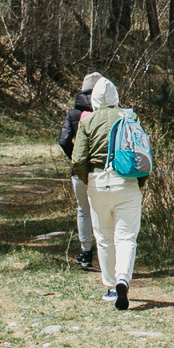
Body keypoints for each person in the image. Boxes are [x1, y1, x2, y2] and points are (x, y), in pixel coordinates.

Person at [67, 70, 146, 308]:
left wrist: (88, 180)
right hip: (128, 183)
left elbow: (78, 159)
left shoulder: (88, 120)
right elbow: (143, 156)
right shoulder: (131, 118)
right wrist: (140, 183)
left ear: (95, 99)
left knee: (104, 237)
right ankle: (124, 278)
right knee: (126, 237)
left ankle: (111, 286)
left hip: (98, 181)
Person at [56, 78, 100, 270]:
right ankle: (110, 255)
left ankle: (86, 252)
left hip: (79, 172)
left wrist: (75, 157)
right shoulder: (107, 113)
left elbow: (64, 140)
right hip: (101, 170)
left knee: (83, 211)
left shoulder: (74, 114)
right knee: (104, 212)